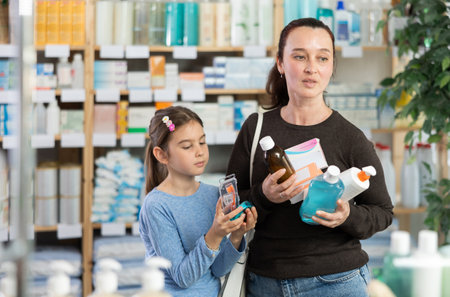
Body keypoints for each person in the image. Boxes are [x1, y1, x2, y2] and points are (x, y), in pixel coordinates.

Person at [226, 18, 393, 297]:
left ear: (331, 67)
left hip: (337, 282)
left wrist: (346, 216)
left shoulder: (350, 137)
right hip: (266, 282)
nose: (311, 68)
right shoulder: (255, 129)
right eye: (299, 56)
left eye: (322, 58)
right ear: (280, 62)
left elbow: (383, 212)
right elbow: (228, 206)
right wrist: (264, 195)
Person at [139, 106, 257, 297]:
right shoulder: (156, 206)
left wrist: (236, 236)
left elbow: (217, 270)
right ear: (161, 155)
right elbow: (182, 277)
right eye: (187, 146)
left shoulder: (213, 195)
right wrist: (215, 233)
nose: (199, 151)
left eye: (202, 142)